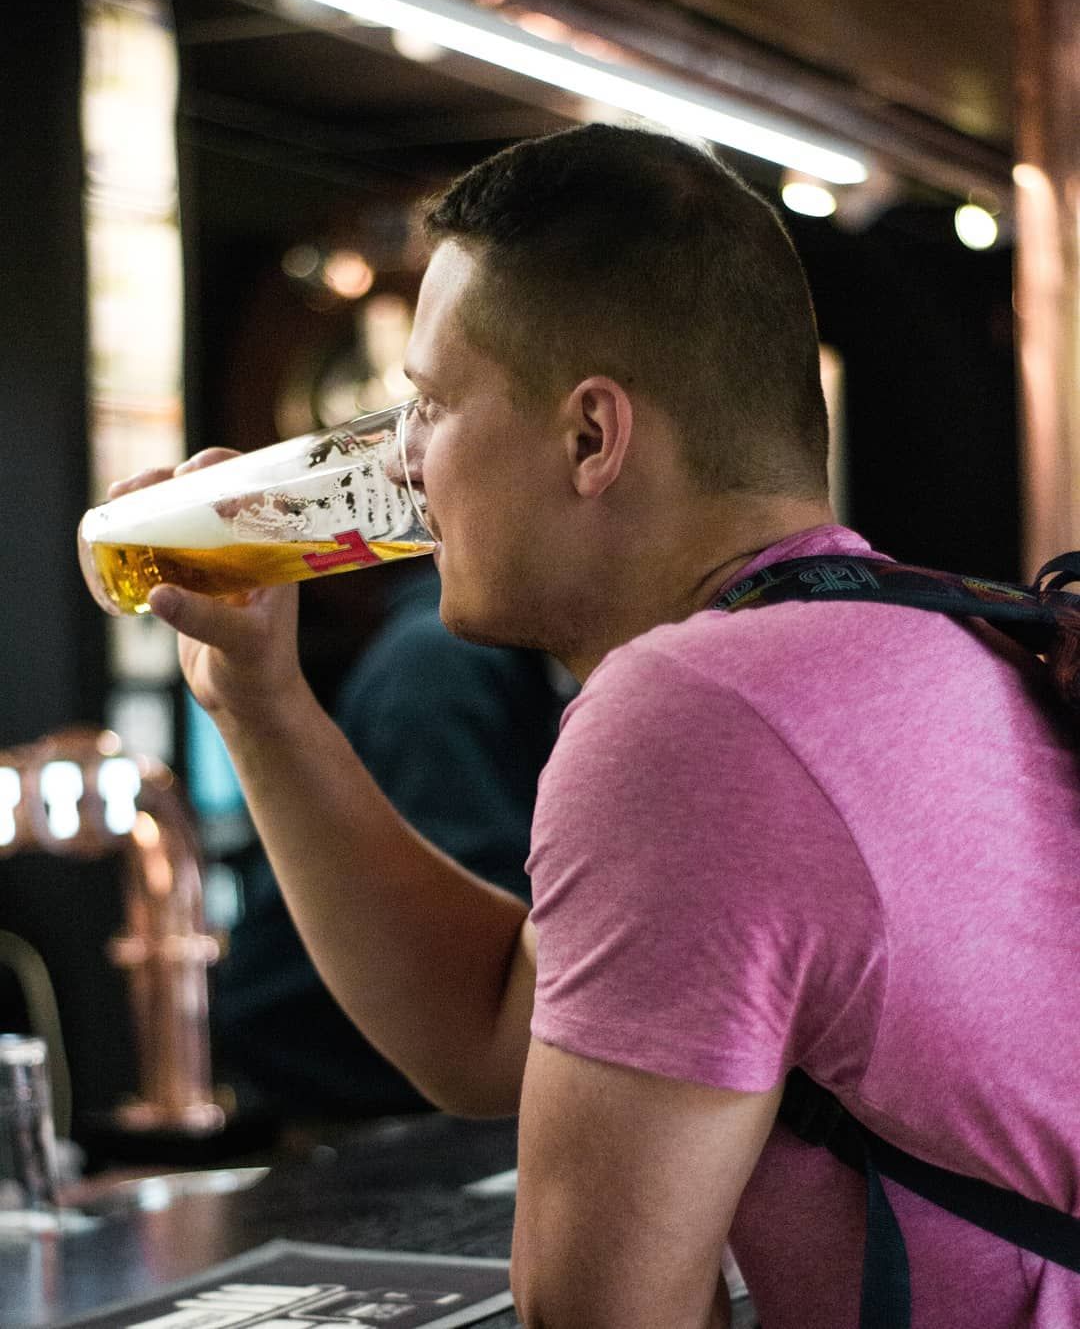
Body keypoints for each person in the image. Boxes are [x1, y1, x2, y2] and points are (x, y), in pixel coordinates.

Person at [115, 124, 1079, 1328]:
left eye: (428, 404)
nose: (405, 465)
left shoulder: (701, 714)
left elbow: (599, 1314)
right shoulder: (924, 637)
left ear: (591, 436)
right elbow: (487, 1029)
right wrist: (260, 704)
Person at [213, 558, 567, 1118]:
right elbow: (496, 995)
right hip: (347, 1090)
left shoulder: (476, 660)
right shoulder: (435, 665)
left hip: (407, 1078)